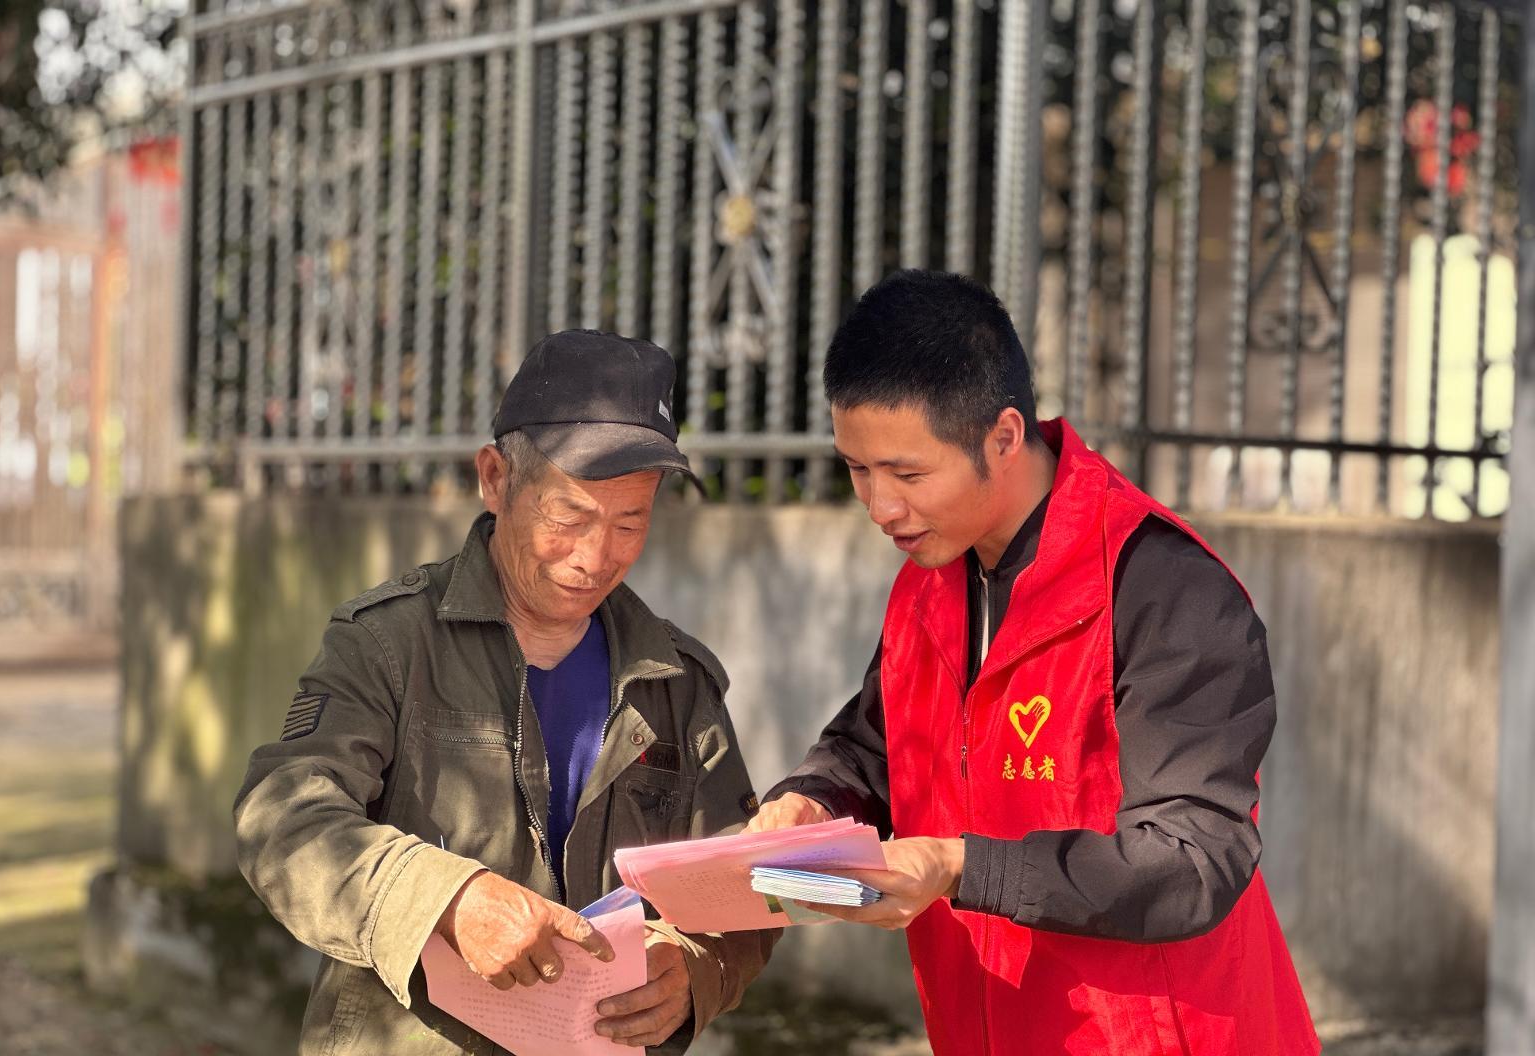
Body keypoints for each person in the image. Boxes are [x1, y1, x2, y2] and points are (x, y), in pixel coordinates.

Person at [748, 271, 1319, 1055]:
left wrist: (959, 868)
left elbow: (1193, 861)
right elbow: (874, 748)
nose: (880, 507)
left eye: (908, 474)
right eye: (858, 469)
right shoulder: (927, 586)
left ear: (1005, 436)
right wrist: (810, 801)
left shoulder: (1159, 586)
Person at [236, 330, 776, 1055]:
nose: (595, 557)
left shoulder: (676, 681)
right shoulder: (390, 644)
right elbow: (281, 821)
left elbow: (741, 885)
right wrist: (443, 900)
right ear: (495, 478)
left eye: (630, 523)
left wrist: (694, 969)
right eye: (568, 518)